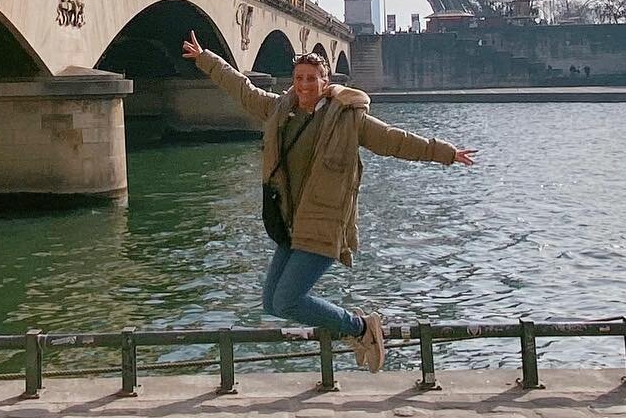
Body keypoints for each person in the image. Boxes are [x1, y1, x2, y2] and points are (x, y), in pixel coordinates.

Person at [181, 33, 476, 371]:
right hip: (290, 222)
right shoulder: (281, 110)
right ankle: (354, 330)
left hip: (323, 223)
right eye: (299, 79)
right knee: (272, 303)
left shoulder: (348, 118)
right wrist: (206, 59)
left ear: (325, 82)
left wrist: (445, 153)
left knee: (288, 299)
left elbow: (394, 140)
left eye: (312, 79)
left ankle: (360, 327)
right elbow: (243, 90)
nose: (304, 85)